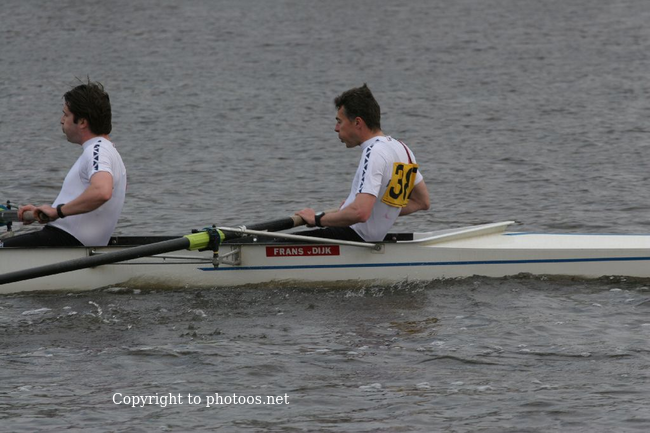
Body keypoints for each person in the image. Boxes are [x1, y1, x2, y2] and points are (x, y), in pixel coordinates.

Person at [296, 84, 430, 242]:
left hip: (351, 237)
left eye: (339, 121)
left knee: (275, 244)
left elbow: (360, 213)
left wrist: (317, 219)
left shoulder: (374, 152)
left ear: (358, 123)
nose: (336, 128)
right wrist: (353, 211)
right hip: (366, 239)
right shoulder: (403, 149)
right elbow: (422, 202)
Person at [2, 81, 127, 247]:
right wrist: (41, 212)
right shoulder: (109, 152)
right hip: (67, 241)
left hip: (65, 241)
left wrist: (57, 211)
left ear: (82, 122)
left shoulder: (97, 150)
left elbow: (102, 192)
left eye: (66, 115)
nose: (61, 121)